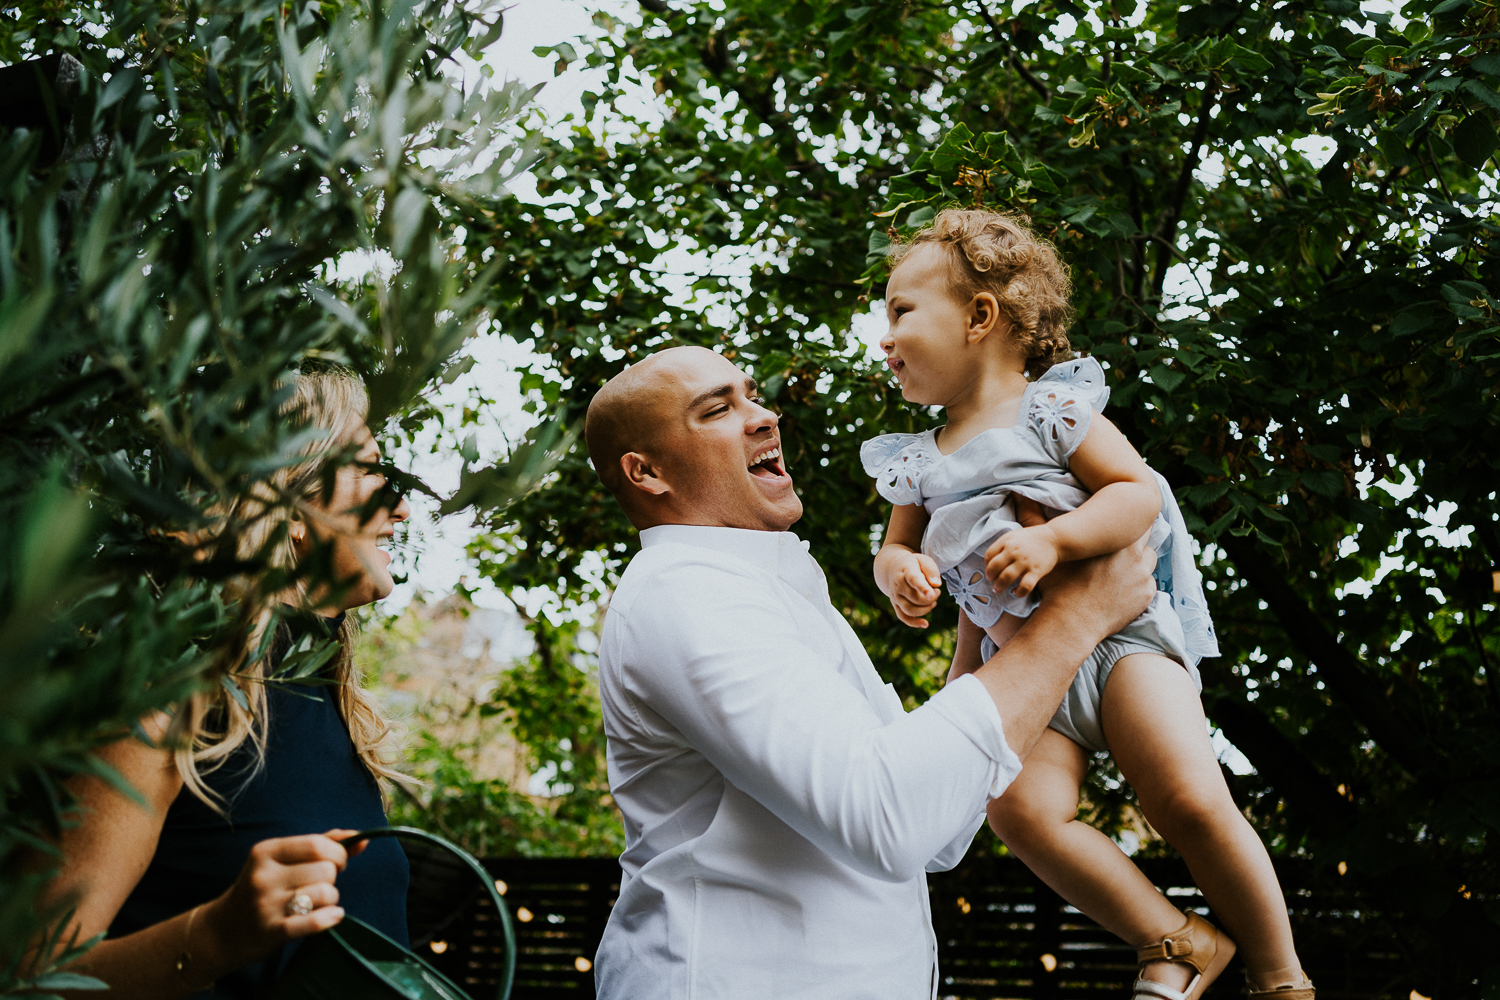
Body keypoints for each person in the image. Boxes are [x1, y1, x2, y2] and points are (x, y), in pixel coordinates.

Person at [582, 344, 1159, 999]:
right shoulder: (685, 595)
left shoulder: (776, 590)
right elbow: (890, 819)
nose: (765, 416)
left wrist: (980, 633)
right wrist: (1078, 620)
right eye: (717, 409)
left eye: (751, 394)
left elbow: (936, 831)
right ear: (647, 471)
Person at [861, 208, 1311, 1000]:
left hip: (1123, 640)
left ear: (979, 317)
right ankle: (1172, 938)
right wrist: (901, 572)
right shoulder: (916, 463)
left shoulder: (1053, 411)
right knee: (1020, 816)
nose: (884, 336)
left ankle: (1281, 976)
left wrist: (1055, 544)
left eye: (900, 311)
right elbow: (896, 545)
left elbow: (1138, 495)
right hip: (1023, 667)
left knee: (1187, 798)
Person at [35, 368, 413, 999]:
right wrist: (216, 936)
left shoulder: (336, 709)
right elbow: (31, 978)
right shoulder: (169, 692)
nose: (400, 505)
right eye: (370, 468)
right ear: (286, 503)